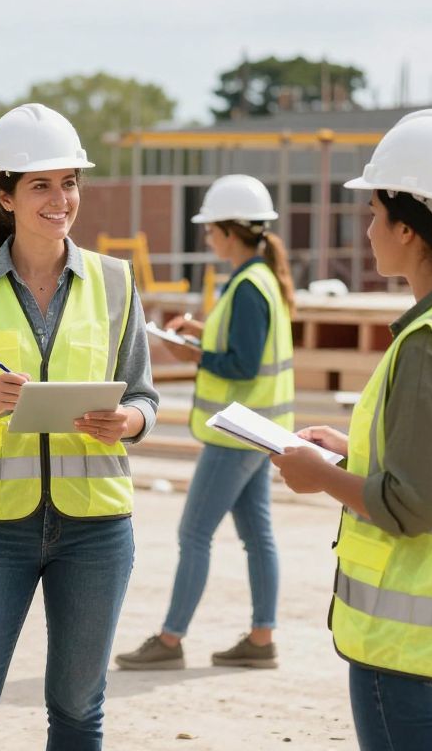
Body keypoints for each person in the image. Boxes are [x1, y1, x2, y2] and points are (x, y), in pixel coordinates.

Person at [271, 109, 432, 751]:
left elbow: (410, 506)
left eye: (376, 212)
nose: (369, 228)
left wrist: (321, 476)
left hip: (410, 645)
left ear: (408, 229)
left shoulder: (430, 343)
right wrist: (355, 451)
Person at [0, 103, 159, 750]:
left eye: (70, 182)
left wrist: (127, 420)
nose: (61, 199)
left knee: (79, 710)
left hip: (97, 529)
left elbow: (145, 396)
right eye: (41, 185)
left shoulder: (115, 283)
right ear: (5, 195)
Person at [116, 174, 295, 671]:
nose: (207, 238)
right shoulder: (259, 280)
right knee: (257, 535)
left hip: (238, 433)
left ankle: (170, 642)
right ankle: (261, 638)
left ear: (230, 231)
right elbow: (241, 348)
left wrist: (190, 350)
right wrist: (200, 333)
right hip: (257, 431)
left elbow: (238, 364)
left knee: (193, 535)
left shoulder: (247, 287)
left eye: (210, 230)